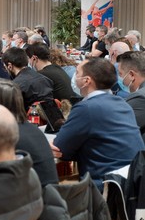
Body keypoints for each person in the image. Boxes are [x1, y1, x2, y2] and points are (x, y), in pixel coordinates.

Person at [51, 57, 144, 186]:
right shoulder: (123, 104)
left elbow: (61, 149)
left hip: (103, 188)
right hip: (130, 184)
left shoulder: (86, 108)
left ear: (87, 81)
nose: (74, 77)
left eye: (77, 73)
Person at [117, 51, 145, 136]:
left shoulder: (140, 97)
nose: (119, 78)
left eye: (120, 74)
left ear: (131, 75)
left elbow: (119, 128)